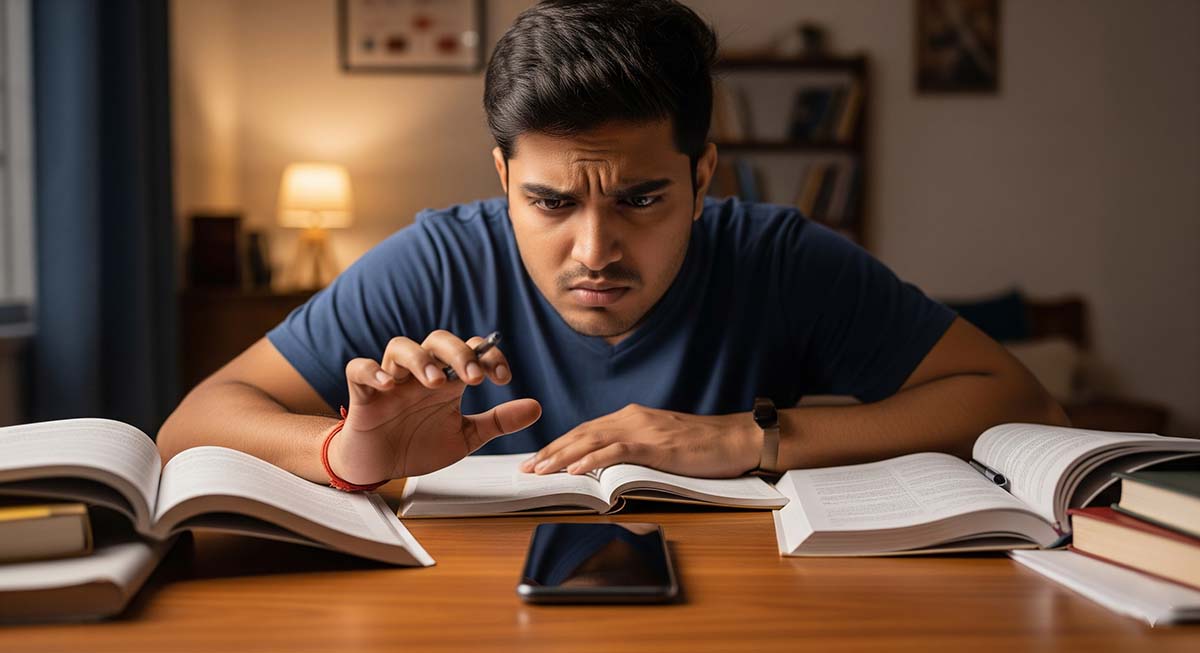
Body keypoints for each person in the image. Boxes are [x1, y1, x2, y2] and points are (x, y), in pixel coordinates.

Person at [157, 0, 1067, 489]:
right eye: (550, 201)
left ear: (706, 175)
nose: (596, 249)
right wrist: (341, 452)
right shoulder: (436, 257)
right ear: (503, 180)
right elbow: (189, 428)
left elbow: (1017, 400)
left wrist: (751, 440)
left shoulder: (781, 256)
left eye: (642, 198)